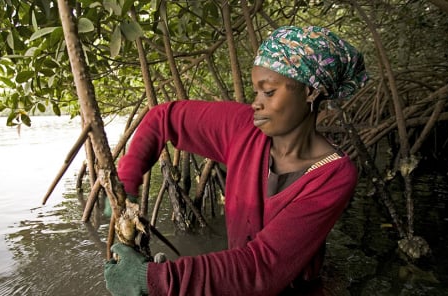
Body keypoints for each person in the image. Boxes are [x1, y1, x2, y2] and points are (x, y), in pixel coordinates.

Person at [104, 25, 368, 296]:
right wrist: (126, 182)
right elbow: (163, 118)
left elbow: (263, 267)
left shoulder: (334, 175)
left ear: (310, 92)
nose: (256, 103)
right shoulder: (243, 128)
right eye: (256, 92)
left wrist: (155, 278)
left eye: (269, 92)